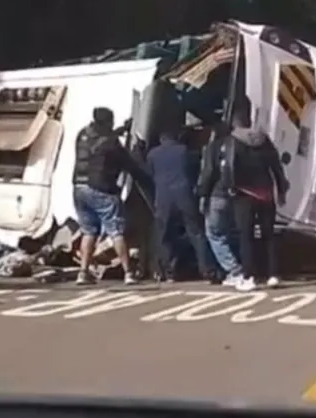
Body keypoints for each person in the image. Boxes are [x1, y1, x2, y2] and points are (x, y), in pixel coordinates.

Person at [71, 107, 147, 286]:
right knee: (116, 231)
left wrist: (120, 131)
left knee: (88, 231)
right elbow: (128, 164)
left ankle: (83, 272)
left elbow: (98, 144)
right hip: (101, 190)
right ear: (107, 122)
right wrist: (146, 176)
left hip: (79, 188)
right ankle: (128, 273)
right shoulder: (111, 143)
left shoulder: (82, 134)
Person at [219, 101, 289, 292]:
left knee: (246, 236)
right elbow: (276, 166)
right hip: (266, 193)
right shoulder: (264, 139)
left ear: (234, 121)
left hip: (244, 194)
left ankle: (249, 277)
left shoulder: (232, 141)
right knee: (269, 235)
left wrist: (229, 188)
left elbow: (228, 167)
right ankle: (273, 274)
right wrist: (281, 190)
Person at [146, 129, 214, 283]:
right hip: (185, 196)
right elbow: (195, 170)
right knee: (196, 233)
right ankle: (207, 270)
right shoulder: (185, 151)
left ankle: (169, 272)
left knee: (164, 235)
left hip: (163, 199)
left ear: (161, 139)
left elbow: (149, 174)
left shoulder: (153, 154)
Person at [196, 121, 243, 285]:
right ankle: (237, 267)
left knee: (214, 234)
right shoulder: (238, 146)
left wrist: (202, 194)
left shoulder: (212, 148)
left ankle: (234, 270)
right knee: (230, 232)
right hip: (235, 196)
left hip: (216, 195)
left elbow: (208, 173)